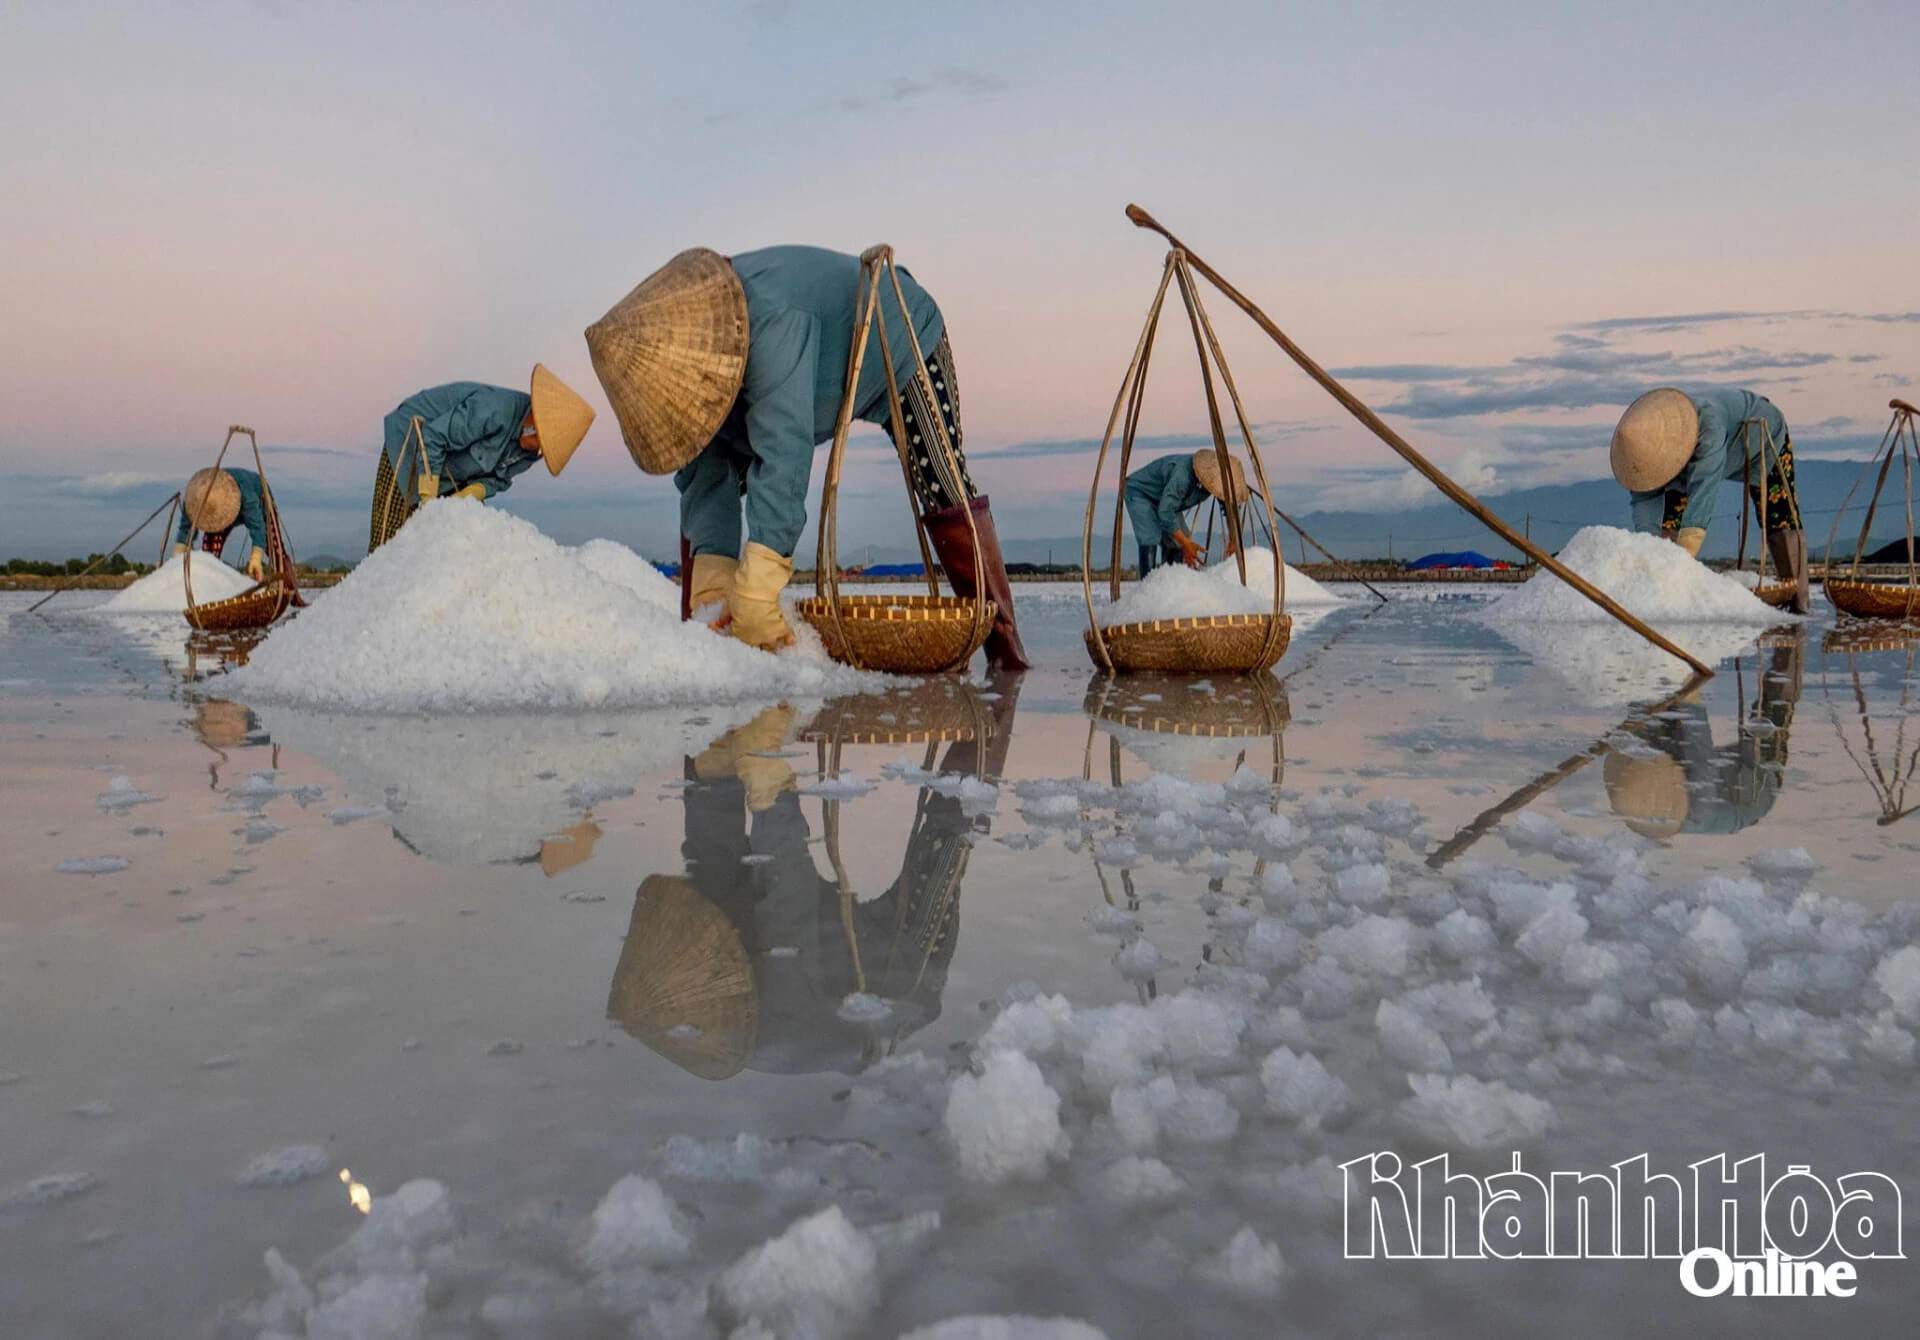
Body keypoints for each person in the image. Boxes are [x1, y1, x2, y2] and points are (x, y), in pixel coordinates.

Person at [585, 245, 1030, 669]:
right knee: (708, 448)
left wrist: (758, 591)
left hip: (900, 335)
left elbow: (784, 456)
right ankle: (704, 628)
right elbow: (705, 476)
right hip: (820, 376)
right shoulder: (695, 376)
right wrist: (713, 592)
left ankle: (1004, 648)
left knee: (939, 478)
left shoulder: (772, 321)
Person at [1612, 386, 1809, 612]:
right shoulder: (1640, 456)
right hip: (1691, 465)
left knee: (1778, 515)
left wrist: (1679, 567)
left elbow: (1700, 502)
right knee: (1668, 522)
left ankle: (1799, 604)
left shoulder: (1706, 426)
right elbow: (1645, 512)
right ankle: (1666, 602)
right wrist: (1650, 560)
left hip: (1762, 435)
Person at [371, 365, 595, 550]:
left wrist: (473, 492)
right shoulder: (492, 410)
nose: (537, 451)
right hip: (409, 446)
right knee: (388, 544)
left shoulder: (529, 453)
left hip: (450, 473)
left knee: (441, 543)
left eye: (544, 450)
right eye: (541, 442)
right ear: (535, 419)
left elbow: (499, 480)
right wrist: (428, 496)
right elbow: (433, 438)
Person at [1123, 450, 1255, 575]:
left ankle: (1171, 583)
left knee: (1178, 540)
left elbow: (1229, 507)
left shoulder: (1215, 483)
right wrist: (1187, 544)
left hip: (1166, 500)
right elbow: (1166, 511)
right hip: (1141, 493)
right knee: (1150, 536)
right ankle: (1148, 586)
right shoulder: (1183, 477)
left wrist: (1233, 539)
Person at [171, 466, 273, 582]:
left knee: (274, 546)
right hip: (219, 509)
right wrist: (177, 557)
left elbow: (258, 527)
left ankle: (286, 584)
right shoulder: (194, 498)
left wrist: (256, 558)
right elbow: (185, 529)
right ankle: (210, 581)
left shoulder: (247, 494)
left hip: (259, 498)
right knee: (209, 555)